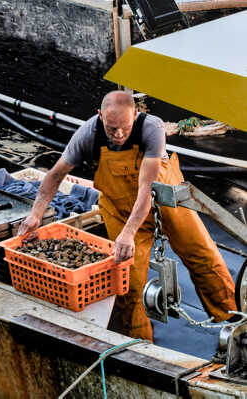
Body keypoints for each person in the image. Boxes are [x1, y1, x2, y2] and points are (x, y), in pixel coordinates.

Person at [18, 90, 237, 341]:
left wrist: (129, 233)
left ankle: (231, 322)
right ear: (100, 116)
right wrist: (35, 214)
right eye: (111, 129)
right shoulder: (87, 134)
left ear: (136, 114)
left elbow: (147, 188)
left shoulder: (151, 128)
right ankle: (141, 347)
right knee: (127, 286)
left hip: (166, 201)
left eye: (124, 127)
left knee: (203, 256)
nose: (119, 135)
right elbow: (55, 175)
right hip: (119, 209)